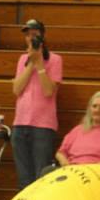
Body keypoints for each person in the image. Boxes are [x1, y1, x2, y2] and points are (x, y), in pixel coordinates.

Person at [11, 19, 62, 190]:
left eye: (34, 34)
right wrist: (31, 62)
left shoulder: (55, 60)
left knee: (42, 178)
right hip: (20, 124)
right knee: (23, 179)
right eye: (27, 35)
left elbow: (48, 91)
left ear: (42, 36)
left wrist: (40, 64)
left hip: (43, 126)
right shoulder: (22, 59)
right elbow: (17, 89)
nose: (30, 38)